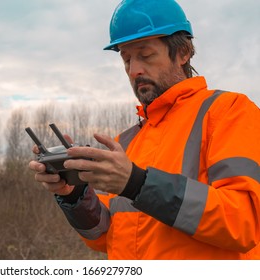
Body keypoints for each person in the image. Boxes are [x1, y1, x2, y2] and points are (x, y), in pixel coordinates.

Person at [28, 0, 260, 259]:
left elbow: (244, 223)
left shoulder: (228, 112)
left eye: (145, 55)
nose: (134, 70)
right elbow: (104, 236)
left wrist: (138, 184)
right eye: (126, 60)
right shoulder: (125, 142)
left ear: (183, 52)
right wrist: (74, 195)